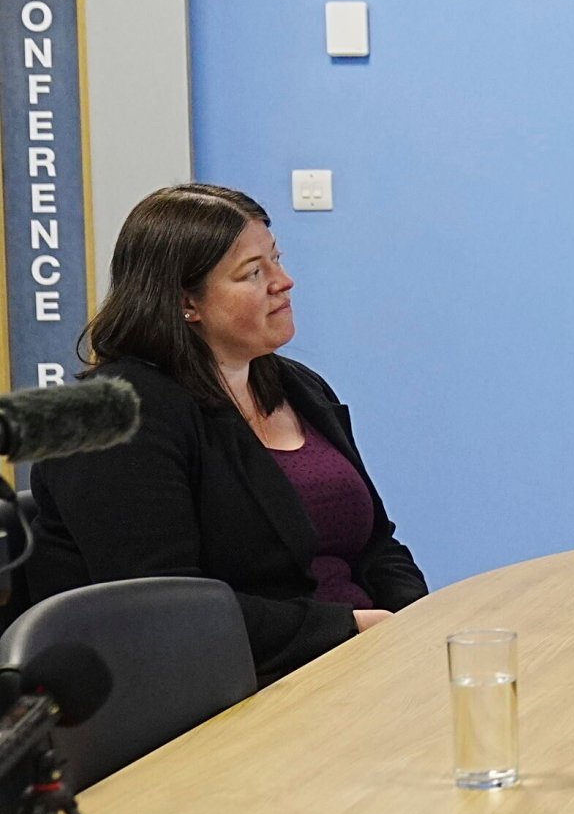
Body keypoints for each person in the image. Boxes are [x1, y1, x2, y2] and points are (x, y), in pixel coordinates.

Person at [27, 184, 426, 686]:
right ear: (185, 302)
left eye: (276, 260)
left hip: (350, 661)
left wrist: (416, 619)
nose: (284, 282)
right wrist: (345, 627)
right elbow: (162, 609)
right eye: (253, 273)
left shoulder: (298, 386)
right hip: (223, 692)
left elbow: (376, 544)